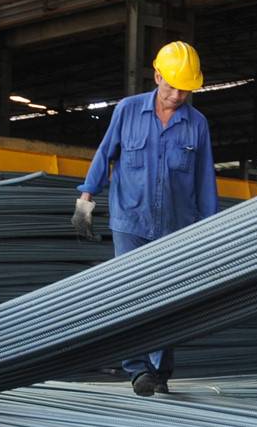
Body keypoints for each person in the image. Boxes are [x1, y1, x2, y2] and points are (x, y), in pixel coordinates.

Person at [73, 41, 219, 396]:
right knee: (130, 293)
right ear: (157, 77)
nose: (178, 95)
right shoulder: (127, 111)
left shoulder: (197, 125)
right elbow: (105, 154)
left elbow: (204, 179)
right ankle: (137, 369)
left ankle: (160, 370)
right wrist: (85, 199)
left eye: (185, 89)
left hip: (176, 226)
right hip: (131, 220)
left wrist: (212, 228)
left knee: (168, 297)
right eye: (172, 86)